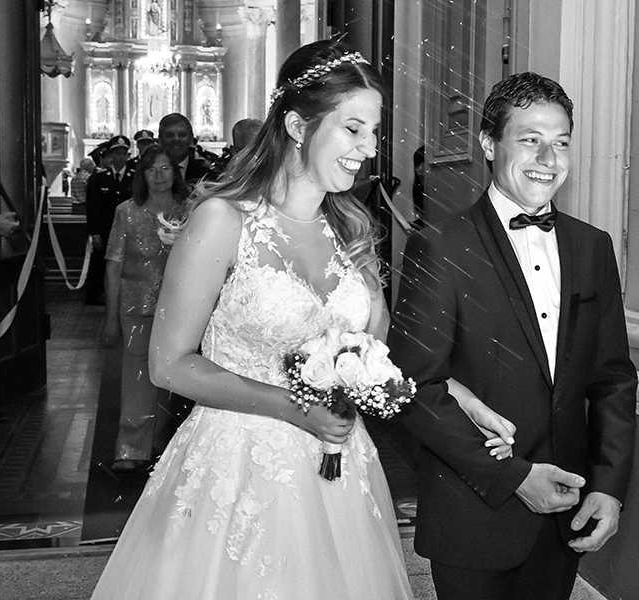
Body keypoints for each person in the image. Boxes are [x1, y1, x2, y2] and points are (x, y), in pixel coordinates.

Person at [89, 40, 509, 599]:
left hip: (340, 465)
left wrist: (461, 397)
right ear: (295, 124)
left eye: (375, 132)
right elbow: (169, 365)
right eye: (353, 128)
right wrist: (294, 409)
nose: (369, 148)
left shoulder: (353, 234)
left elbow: (383, 354)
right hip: (239, 465)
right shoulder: (221, 221)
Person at [388, 71, 638, 600]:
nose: (548, 159)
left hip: (564, 516)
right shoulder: (441, 248)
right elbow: (414, 388)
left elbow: (612, 378)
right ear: (488, 144)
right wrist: (514, 478)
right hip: (474, 511)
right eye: (530, 139)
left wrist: (608, 486)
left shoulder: (592, 247)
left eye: (561, 142)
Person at [102, 144, 191, 472]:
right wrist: (110, 318)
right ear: (142, 175)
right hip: (135, 306)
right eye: (151, 169)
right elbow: (113, 265)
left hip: (178, 308)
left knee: (172, 378)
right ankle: (131, 449)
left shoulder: (189, 211)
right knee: (138, 377)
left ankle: (163, 446)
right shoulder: (127, 212)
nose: (158, 176)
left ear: (175, 173)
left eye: (165, 168)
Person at [85, 135, 135, 305]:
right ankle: (97, 294)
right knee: (101, 264)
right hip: (106, 229)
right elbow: (92, 207)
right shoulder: (98, 179)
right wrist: (95, 233)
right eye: (116, 153)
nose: (120, 157)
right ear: (110, 156)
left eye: (123, 153)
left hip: (128, 230)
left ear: (128, 155)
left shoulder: (135, 178)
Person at [157, 113, 215, 187]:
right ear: (160, 140)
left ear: (191, 139)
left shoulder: (208, 179)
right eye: (170, 135)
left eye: (182, 135)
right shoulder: (145, 177)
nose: (176, 139)